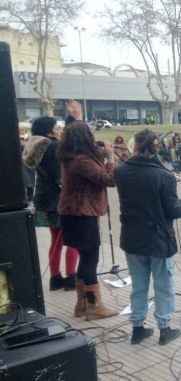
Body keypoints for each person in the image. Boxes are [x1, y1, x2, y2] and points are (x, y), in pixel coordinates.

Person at [114, 129, 181, 345]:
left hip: (132, 238)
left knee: (139, 286)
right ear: (156, 149)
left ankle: (137, 328)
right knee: (163, 285)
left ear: (134, 146)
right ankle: (164, 329)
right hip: (158, 240)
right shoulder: (163, 176)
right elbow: (175, 211)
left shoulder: (121, 172)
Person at [58, 100, 118, 320]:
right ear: (85, 140)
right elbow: (108, 180)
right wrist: (110, 159)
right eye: (90, 136)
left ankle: (82, 305)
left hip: (73, 215)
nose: (94, 138)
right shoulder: (82, 161)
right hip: (82, 215)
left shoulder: (70, 156)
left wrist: (77, 118)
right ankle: (94, 306)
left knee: (85, 258)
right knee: (90, 259)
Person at [22, 116, 79, 292]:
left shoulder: (34, 145)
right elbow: (60, 176)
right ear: (49, 130)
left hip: (44, 198)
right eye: (56, 127)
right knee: (73, 239)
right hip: (60, 199)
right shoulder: (52, 146)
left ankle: (55, 278)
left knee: (57, 239)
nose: (59, 129)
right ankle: (71, 278)